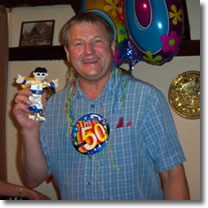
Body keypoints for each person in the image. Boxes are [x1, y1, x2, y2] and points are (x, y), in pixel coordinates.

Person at [13, 12, 190, 200]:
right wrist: (29, 131)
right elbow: (33, 179)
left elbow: (173, 175)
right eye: (78, 43)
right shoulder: (52, 106)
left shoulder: (147, 99)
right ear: (68, 53)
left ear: (112, 47)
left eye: (97, 41)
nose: (88, 51)